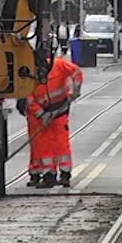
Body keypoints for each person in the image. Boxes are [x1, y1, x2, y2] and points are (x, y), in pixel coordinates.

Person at [30, 49, 84, 188]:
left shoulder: (59, 65)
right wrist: (41, 114)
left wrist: (76, 90)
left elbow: (76, 72)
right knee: (45, 144)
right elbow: (29, 99)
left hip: (60, 109)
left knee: (61, 141)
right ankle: (49, 175)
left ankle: (65, 174)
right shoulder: (28, 74)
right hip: (44, 112)